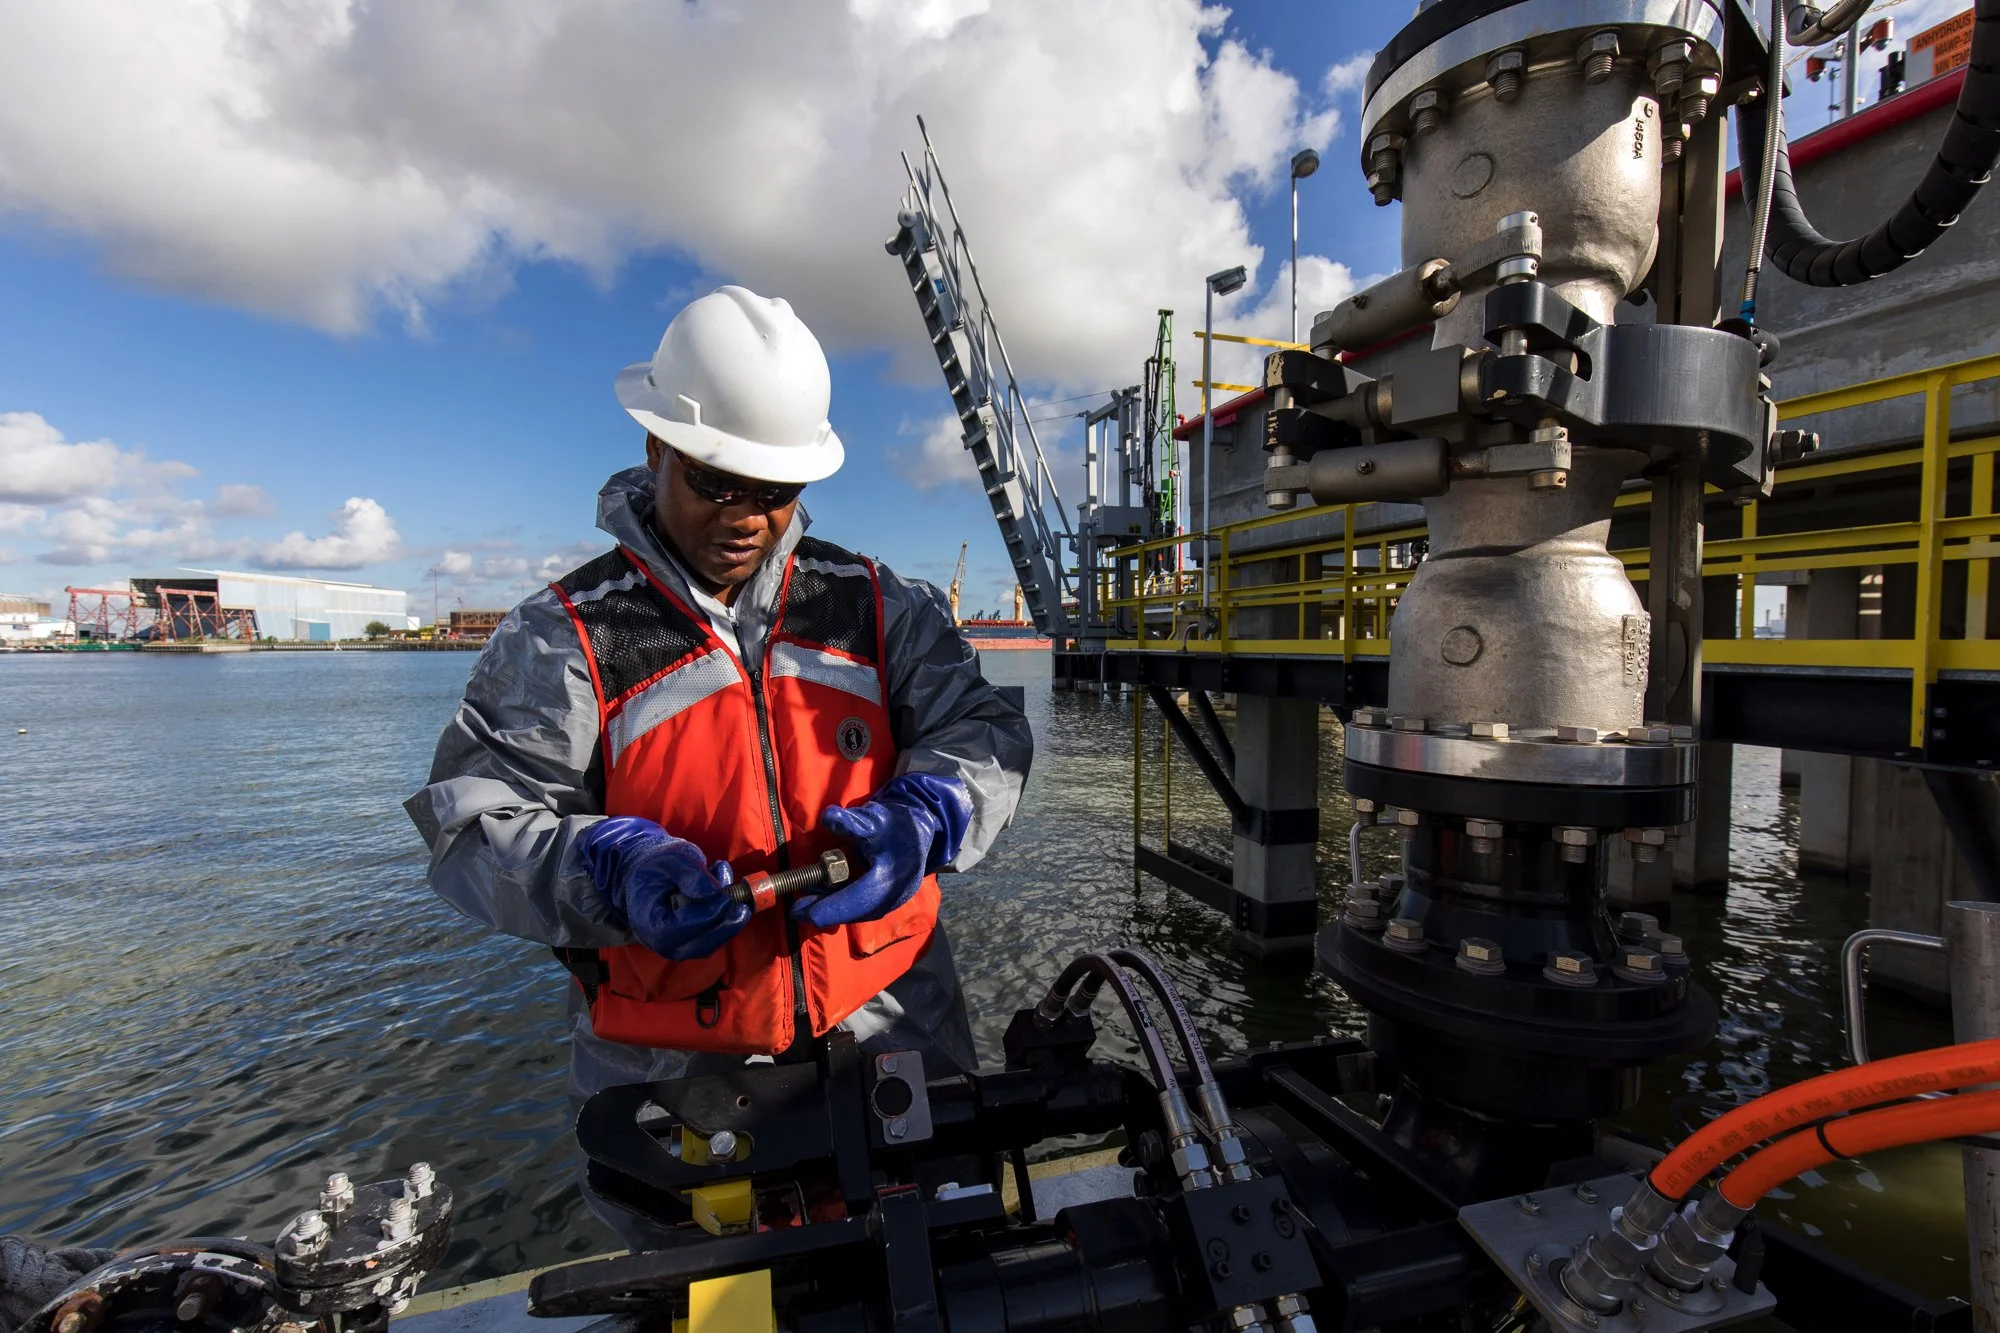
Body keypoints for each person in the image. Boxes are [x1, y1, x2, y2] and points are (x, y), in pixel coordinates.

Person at [404, 285, 1032, 1247]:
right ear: (656, 450)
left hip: (897, 1036)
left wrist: (932, 811)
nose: (746, 517)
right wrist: (600, 864)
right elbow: (469, 823)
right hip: (672, 1087)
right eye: (715, 483)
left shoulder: (877, 604)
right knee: (703, 1301)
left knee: (936, 1275)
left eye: (773, 492)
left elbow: (982, 729)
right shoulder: (563, 637)